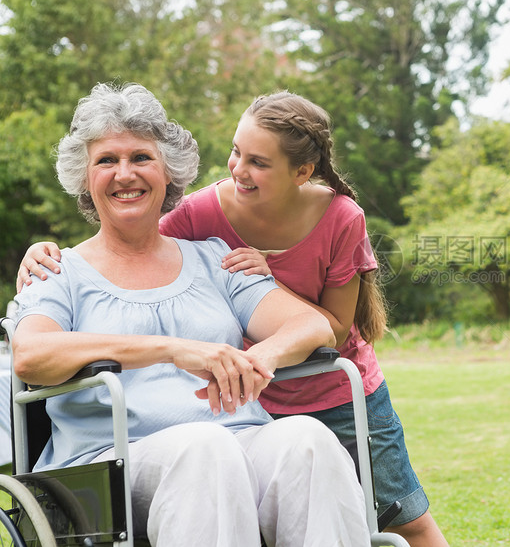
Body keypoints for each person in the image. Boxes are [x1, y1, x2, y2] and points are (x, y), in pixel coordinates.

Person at [19, 90, 449, 546]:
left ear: (168, 171)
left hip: (237, 439)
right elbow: (31, 355)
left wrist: (261, 357)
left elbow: (315, 326)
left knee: (308, 440)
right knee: (206, 447)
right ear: (85, 178)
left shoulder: (214, 260)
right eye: (106, 160)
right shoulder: (57, 270)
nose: (125, 173)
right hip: (111, 463)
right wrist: (171, 349)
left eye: (141, 157)